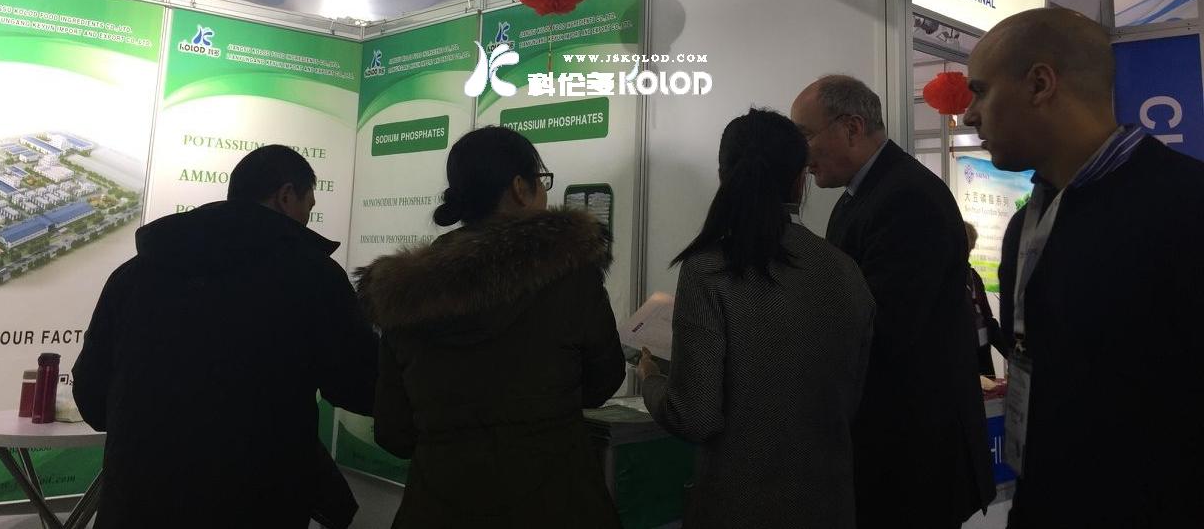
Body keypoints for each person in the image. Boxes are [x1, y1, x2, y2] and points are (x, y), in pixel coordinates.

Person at [964, 8, 1204, 528]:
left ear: (1040, 84)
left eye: (980, 91)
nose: (968, 115)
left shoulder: (1186, 207)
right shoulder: (1025, 227)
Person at [72, 145, 378, 529]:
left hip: (136, 503)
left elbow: (92, 398)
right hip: (257, 502)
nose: (307, 218)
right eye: (308, 206)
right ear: (286, 196)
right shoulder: (313, 276)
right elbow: (358, 383)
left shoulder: (133, 274)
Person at [358, 126, 624, 529]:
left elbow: (394, 432)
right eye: (541, 180)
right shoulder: (570, 275)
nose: (544, 192)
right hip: (557, 502)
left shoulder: (404, 294)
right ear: (519, 188)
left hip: (439, 508)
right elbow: (603, 381)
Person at [637, 108, 875, 529]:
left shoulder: (709, 269)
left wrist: (652, 380)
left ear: (723, 175)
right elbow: (853, 396)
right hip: (830, 504)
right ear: (800, 179)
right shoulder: (844, 269)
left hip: (736, 506)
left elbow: (695, 415)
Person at [790, 76, 994, 529]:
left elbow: (882, 328)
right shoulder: (862, 197)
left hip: (913, 458)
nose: (801, 155)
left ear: (851, 128)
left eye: (805, 136)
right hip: (892, 451)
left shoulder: (907, 197)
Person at [964, 223, 1009, 377]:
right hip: (963, 359)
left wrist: (1010, 353)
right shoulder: (949, 280)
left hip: (982, 356)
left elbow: (988, 320)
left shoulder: (974, 277)